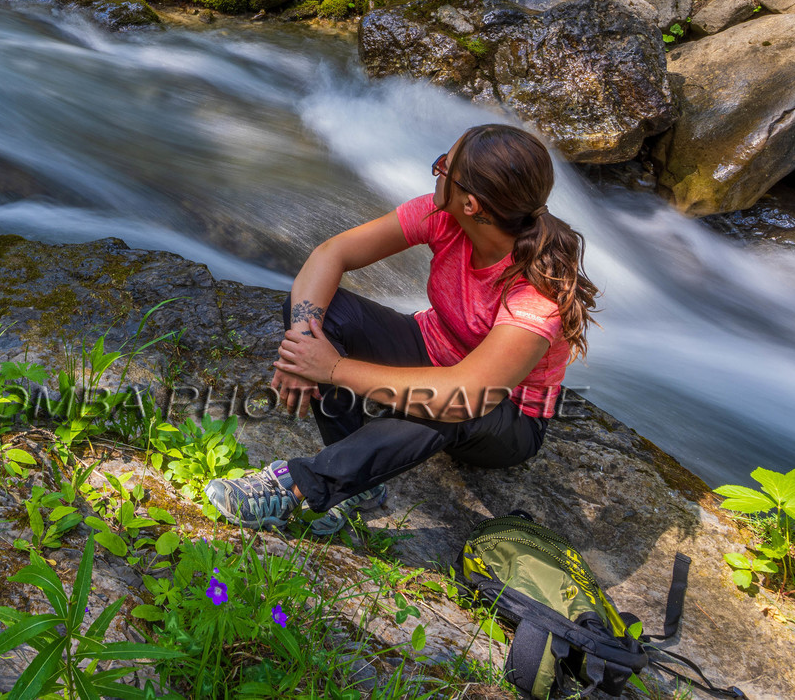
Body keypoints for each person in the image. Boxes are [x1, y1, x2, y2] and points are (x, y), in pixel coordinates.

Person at [206, 123, 598, 536]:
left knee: (448, 405)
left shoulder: (535, 296)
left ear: (471, 204)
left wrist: (332, 369)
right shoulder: (442, 216)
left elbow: (464, 395)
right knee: (323, 312)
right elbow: (331, 254)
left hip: (506, 416)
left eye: (443, 166)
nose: (436, 171)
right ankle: (356, 474)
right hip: (432, 349)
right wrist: (302, 347)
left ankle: (302, 485)